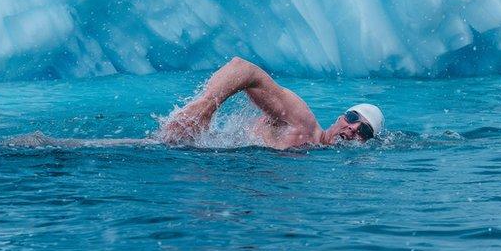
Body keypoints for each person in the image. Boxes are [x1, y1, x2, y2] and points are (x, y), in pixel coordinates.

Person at [159, 57, 383, 149]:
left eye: (364, 130)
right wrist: (206, 107)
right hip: (186, 149)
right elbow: (243, 69)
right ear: (340, 118)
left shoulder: (314, 152)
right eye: (353, 118)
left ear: (366, 143)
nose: (353, 128)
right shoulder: (303, 123)